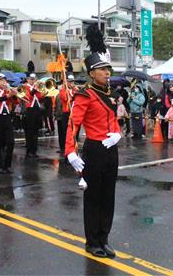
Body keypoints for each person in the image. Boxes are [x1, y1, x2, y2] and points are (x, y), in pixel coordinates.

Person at [65, 24, 121, 259]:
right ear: (91, 73)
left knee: (109, 196)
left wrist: (117, 133)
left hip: (111, 149)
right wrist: (70, 152)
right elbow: (73, 124)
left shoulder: (109, 94)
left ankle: (104, 238)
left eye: (108, 68)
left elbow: (113, 120)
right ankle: (92, 241)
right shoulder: (85, 95)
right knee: (94, 197)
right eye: (102, 69)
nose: (107, 72)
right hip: (95, 150)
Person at [0, 72, 18, 174]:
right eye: (1, 80)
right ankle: (0, 166)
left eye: (4, 80)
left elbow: (16, 102)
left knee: (10, 142)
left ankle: (8, 165)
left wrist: (14, 95)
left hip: (7, 118)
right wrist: (8, 94)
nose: (4, 82)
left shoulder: (7, 91)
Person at [23, 73, 44, 158]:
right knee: (29, 131)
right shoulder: (24, 87)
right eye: (31, 79)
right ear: (27, 79)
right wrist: (35, 88)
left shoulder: (36, 87)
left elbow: (39, 97)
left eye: (33, 79)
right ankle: (29, 151)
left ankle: (34, 151)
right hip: (29, 110)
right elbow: (28, 97)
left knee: (36, 131)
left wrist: (43, 92)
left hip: (37, 109)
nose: (32, 80)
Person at [57, 74, 77, 156]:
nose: (71, 83)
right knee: (66, 132)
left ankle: (73, 147)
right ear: (66, 82)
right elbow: (66, 98)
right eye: (69, 82)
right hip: (66, 113)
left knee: (74, 132)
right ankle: (65, 149)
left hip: (74, 113)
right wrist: (72, 91)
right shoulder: (63, 91)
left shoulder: (75, 90)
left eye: (72, 81)